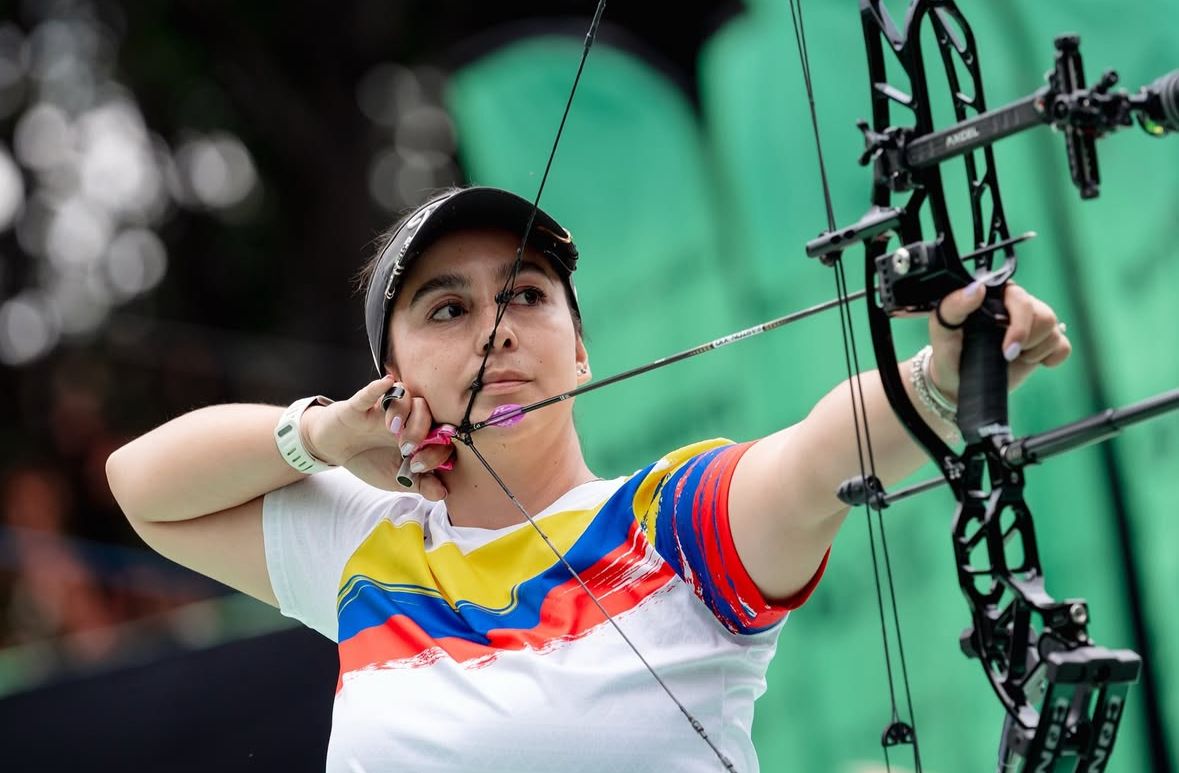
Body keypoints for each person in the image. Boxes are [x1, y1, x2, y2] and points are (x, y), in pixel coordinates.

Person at [106, 186, 1071, 772]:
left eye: (525, 294)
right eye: (446, 309)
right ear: (391, 373)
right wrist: (324, 432)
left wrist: (942, 377)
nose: (495, 328)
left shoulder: (671, 522)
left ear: (579, 349)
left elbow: (822, 454)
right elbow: (140, 484)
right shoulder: (368, 553)